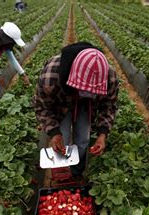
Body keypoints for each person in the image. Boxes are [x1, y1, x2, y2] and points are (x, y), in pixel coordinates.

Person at [33, 42, 119, 179]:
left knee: (83, 139)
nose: (83, 95)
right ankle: (61, 171)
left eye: (91, 93)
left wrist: (103, 134)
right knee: (63, 138)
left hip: (87, 106)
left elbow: (108, 106)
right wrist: (54, 133)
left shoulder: (109, 78)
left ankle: (76, 172)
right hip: (61, 103)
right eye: (81, 92)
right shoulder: (51, 76)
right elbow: (42, 107)